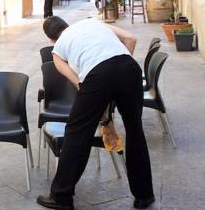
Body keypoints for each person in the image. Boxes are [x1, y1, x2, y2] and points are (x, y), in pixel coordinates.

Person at [36, 16, 155, 210]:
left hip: (99, 74)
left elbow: (82, 86)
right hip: (129, 67)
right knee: (135, 129)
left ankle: (61, 196)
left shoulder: (57, 51)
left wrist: (105, 118)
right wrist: (120, 73)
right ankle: (144, 195)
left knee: (77, 132)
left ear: (51, 40)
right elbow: (131, 39)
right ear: (67, 24)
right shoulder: (92, 22)